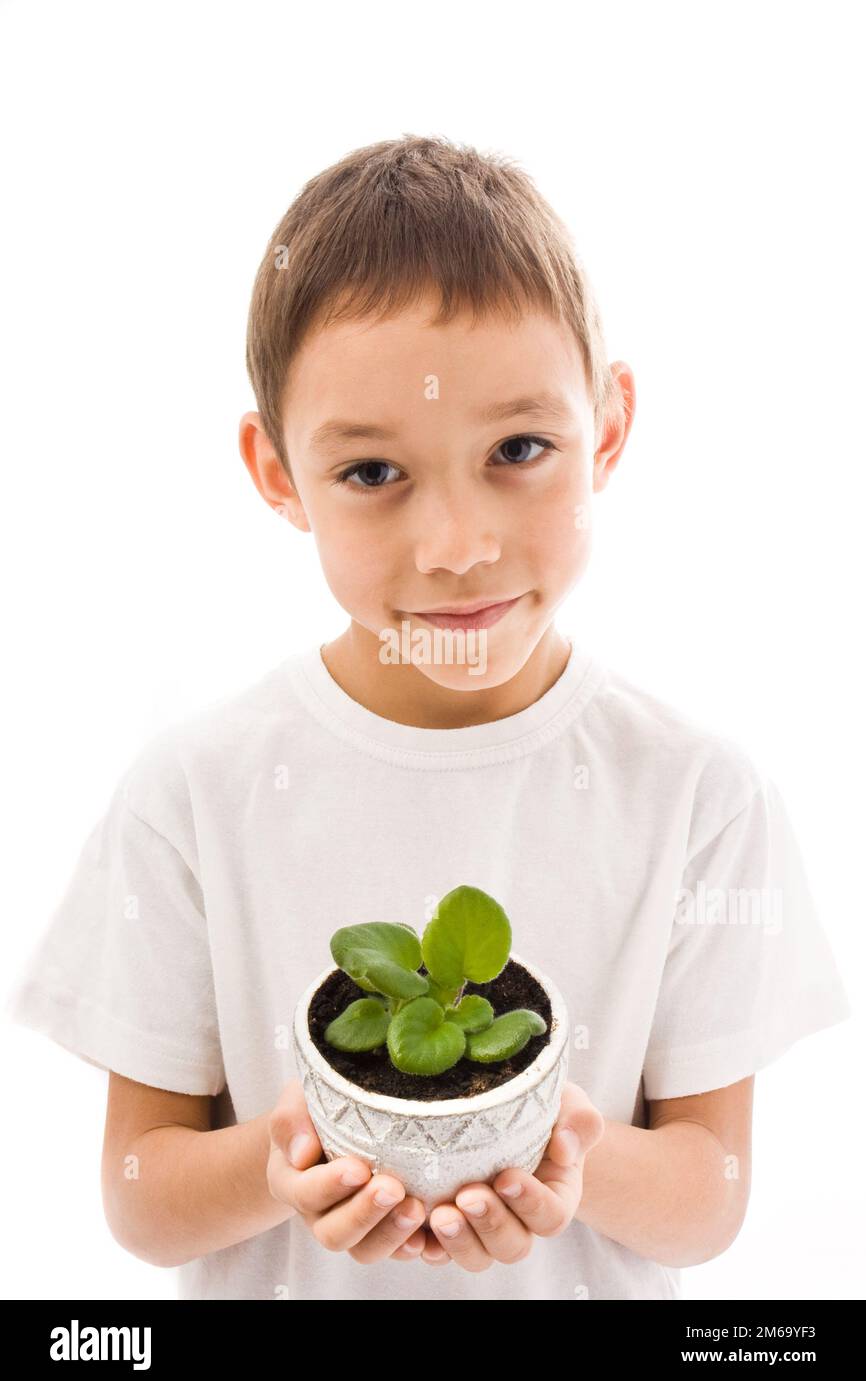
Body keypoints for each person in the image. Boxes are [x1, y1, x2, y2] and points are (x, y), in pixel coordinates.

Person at [5, 134, 851, 1300]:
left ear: (607, 428)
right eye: (371, 472)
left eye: (517, 449)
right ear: (277, 472)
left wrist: (549, 1146)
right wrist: (293, 1156)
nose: (455, 546)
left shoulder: (694, 791)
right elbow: (141, 1195)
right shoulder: (195, 791)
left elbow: (706, 1194)